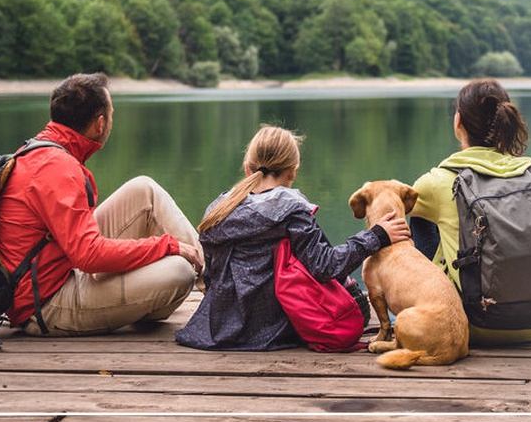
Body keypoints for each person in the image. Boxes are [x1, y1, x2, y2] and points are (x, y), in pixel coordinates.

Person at [0, 73, 204, 337]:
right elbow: (89, 256)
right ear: (100, 124)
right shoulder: (58, 168)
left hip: (58, 267)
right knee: (179, 271)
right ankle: (218, 288)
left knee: (144, 189)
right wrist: (166, 246)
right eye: (112, 113)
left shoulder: (41, 150)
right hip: (46, 304)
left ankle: (216, 282)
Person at [175, 124, 410, 351]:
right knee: (354, 301)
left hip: (218, 326)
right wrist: (376, 236)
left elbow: (212, 276)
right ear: (293, 171)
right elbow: (326, 266)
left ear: (248, 168)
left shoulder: (218, 210)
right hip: (274, 327)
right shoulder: (291, 210)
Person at [409, 78, 531, 345]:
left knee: (418, 216)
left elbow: (394, 210)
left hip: (468, 324)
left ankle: (419, 307)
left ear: (457, 122)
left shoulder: (438, 181)